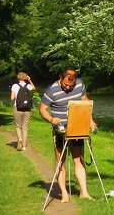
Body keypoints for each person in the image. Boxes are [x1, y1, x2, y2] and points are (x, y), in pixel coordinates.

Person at [38, 69, 97, 201]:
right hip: (60, 129)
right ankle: (64, 193)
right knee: (60, 161)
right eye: (65, 84)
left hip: (77, 128)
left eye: (71, 85)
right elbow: (42, 109)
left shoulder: (80, 85)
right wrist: (51, 119)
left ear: (75, 80)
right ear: (61, 78)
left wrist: (91, 121)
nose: (68, 87)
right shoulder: (51, 90)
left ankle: (84, 192)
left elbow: (85, 103)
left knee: (79, 160)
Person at [9, 71, 37, 151]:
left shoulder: (14, 86)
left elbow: (12, 98)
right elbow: (34, 89)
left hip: (17, 108)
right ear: (25, 78)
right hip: (27, 108)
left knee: (18, 125)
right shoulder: (28, 86)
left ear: (18, 78)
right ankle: (24, 146)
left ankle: (20, 139)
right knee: (25, 127)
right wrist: (30, 80)